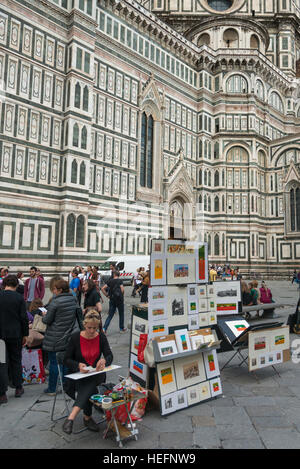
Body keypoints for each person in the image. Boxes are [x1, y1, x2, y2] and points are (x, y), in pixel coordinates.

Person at [62, 310, 113, 434]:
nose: (91, 331)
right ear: (84, 325)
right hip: (77, 375)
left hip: (96, 374)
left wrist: (104, 360)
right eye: (89, 327)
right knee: (87, 384)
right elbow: (66, 359)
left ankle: (71, 418)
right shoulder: (75, 337)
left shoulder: (101, 337)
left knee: (90, 381)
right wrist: (78, 365)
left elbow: (109, 355)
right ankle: (87, 417)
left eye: (95, 328)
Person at [41, 279, 83, 395]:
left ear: (59, 290)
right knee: (65, 361)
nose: (53, 291)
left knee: (54, 362)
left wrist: (44, 315)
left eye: (54, 289)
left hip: (55, 336)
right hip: (69, 335)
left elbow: (47, 320)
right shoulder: (73, 299)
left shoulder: (55, 302)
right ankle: (65, 385)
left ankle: (52, 388)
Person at [0, 275, 29, 404]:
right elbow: (23, 318)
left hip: (1, 336)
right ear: (16, 285)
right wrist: (25, 334)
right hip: (16, 335)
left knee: (1, 362)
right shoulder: (19, 298)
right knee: (16, 360)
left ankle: (2, 393)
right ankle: (18, 387)